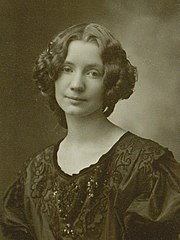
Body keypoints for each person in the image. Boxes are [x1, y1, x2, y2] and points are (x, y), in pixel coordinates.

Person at [0, 23, 180, 240]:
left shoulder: (145, 167)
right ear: (52, 74)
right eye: (67, 69)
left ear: (111, 81)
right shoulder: (34, 173)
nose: (76, 84)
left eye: (93, 73)